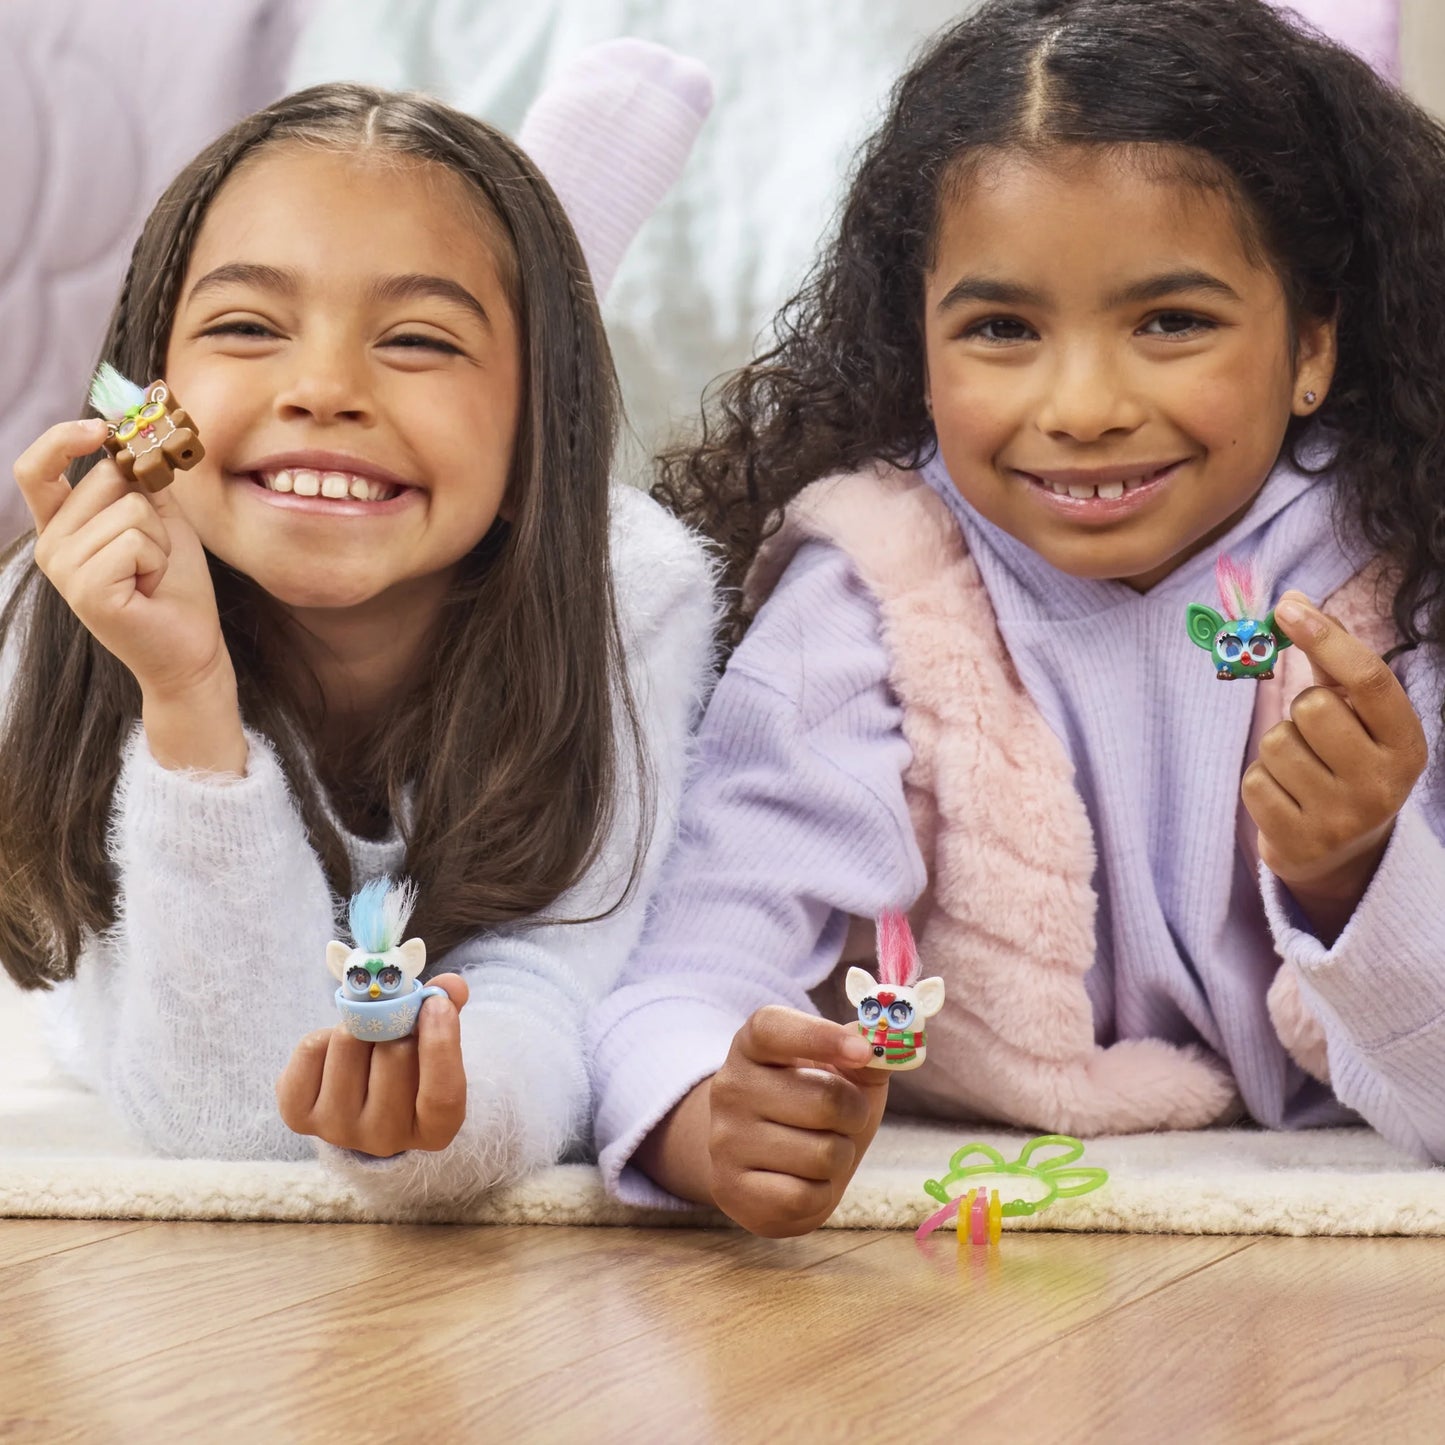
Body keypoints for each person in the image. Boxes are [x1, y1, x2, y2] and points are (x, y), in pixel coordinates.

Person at [592, 0, 1445, 1236]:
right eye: (1001, 328)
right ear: (918, 344)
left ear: (1310, 343)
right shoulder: (873, 593)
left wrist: (1355, 872)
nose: (1083, 404)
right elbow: (685, 973)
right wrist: (698, 1108)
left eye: (1171, 322)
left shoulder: (1403, 578)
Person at [0, 65, 717, 1211]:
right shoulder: (71, 609)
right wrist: (187, 694)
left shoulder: (630, 589)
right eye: (245, 325)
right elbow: (231, 1126)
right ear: (148, 395)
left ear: (543, 413)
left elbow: (548, 976)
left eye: (421, 340)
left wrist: (448, 1119)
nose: (324, 387)